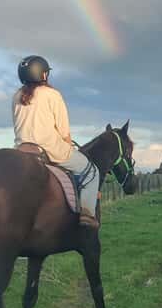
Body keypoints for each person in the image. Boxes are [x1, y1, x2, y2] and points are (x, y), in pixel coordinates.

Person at [12, 55, 99, 229]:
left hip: (21, 150)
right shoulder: (52, 94)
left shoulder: (17, 96)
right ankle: (87, 215)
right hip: (50, 150)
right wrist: (68, 145)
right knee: (91, 172)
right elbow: (64, 131)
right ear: (43, 74)